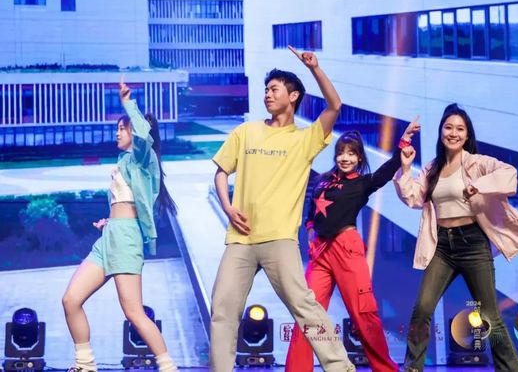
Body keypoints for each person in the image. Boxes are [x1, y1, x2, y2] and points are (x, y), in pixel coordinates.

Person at [210, 46, 355, 372]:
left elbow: (335, 105)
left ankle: (341, 367)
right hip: (240, 240)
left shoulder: (305, 139)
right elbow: (220, 172)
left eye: (273, 89)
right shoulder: (245, 132)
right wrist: (228, 208)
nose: (267, 94)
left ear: (293, 96)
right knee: (222, 308)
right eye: (265, 89)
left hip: (280, 239)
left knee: (305, 307)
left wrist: (314, 68)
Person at [394, 103, 518, 372]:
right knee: (422, 310)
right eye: (448, 127)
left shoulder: (477, 162)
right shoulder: (432, 168)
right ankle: (412, 368)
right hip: (441, 246)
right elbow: (413, 198)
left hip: (472, 242)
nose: (453, 133)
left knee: (489, 317)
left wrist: (479, 185)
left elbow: (509, 174)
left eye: (460, 129)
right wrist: (405, 167)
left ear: (467, 134)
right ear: (441, 131)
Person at [62, 76, 178, 372]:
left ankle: (168, 367)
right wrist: (109, 222)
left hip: (126, 240)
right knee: (71, 299)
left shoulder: (142, 159)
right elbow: (124, 203)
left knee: (134, 312)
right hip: (109, 238)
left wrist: (128, 102)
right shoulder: (124, 161)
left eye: (122, 128)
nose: (117, 132)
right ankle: (85, 364)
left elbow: (144, 136)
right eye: (118, 128)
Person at [286, 121, 420, 372]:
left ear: (359, 158)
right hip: (320, 254)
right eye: (340, 152)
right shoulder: (322, 180)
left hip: (347, 249)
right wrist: (311, 233)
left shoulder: (362, 183)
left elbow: (387, 171)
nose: (344, 158)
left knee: (364, 313)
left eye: (351, 153)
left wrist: (403, 142)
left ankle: (386, 370)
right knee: (307, 315)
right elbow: (311, 211)